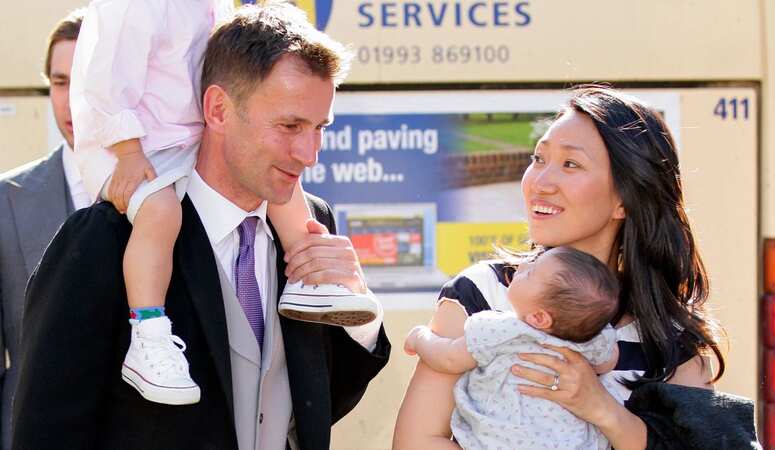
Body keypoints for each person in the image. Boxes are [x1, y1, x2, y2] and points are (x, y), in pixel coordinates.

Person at [12, 4, 390, 449]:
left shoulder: (309, 223)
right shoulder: (107, 239)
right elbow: (47, 431)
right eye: (289, 126)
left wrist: (358, 312)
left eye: (319, 128)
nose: (310, 154)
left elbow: (315, 403)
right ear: (217, 109)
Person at [393, 85, 725, 450]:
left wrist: (600, 408)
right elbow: (416, 441)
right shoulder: (482, 291)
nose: (540, 182)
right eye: (538, 159)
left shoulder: (669, 335)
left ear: (624, 200)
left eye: (570, 164)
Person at [404, 246, 621, 450]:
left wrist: (419, 338)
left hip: (501, 440)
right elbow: (608, 359)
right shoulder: (593, 339)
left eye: (530, 273)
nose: (523, 265)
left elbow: (449, 358)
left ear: (538, 317)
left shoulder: (500, 329)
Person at [0, 9, 87, 450]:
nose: (70, 101)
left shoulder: (172, 198)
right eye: (59, 82)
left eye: (85, 79)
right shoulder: (5, 200)